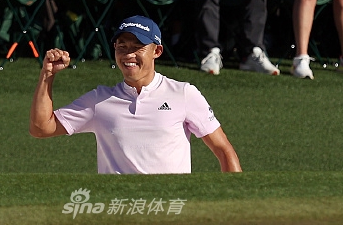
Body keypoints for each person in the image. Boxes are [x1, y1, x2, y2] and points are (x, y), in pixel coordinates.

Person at [29, 16, 241, 174]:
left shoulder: (183, 94)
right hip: (120, 211)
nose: (128, 55)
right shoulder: (99, 100)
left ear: (156, 51)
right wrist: (47, 75)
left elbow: (223, 150)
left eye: (138, 47)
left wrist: (235, 208)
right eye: (122, 46)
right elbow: (41, 128)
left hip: (171, 212)